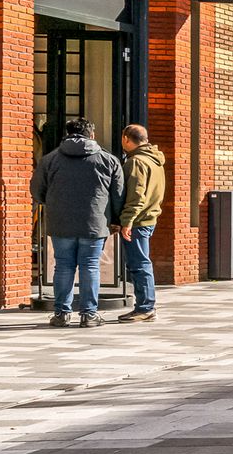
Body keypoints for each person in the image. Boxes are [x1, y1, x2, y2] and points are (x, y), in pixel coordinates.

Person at [29, 117, 124, 328]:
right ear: (92, 135)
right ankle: (89, 315)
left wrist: (52, 203)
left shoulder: (50, 159)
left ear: (66, 133)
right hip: (95, 222)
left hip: (60, 221)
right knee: (90, 267)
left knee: (63, 266)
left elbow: (37, 190)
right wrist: (116, 219)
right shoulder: (108, 160)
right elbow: (118, 194)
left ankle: (62, 313)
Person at [114, 124, 165, 324]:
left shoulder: (136, 162)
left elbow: (136, 196)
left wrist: (127, 221)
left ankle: (145, 307)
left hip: (138, 220)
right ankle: (146, 306)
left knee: (139, 264)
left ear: (126, 138)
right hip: (148, 217)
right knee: (141, 263)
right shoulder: (155, 160)